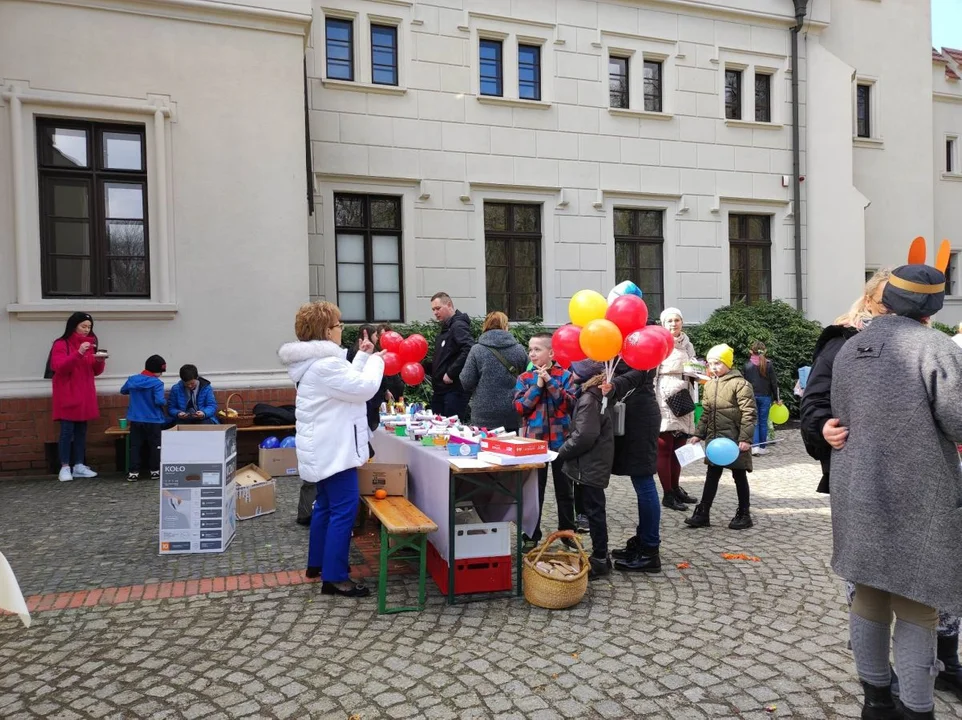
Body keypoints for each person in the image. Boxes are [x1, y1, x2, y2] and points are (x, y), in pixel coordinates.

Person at [828, 263, 962, 719]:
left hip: (857, 487)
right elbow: (959, 420)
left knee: (868, 593)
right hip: (919, 491)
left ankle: (876, 701)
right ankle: (918, 709)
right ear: (932, 305)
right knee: (918, 603)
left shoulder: (851, 348)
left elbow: (840, 417)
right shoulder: (936, 347)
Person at [278, 301, 385, 598]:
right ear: (327, 332)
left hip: (325, 448)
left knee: (324, 506)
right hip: (334, 451)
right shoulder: (326, 365)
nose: (341, 330)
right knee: (344, 510)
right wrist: (376, 360)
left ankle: (317, 563)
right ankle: (335, 577)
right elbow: (363, 388)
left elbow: (347, 382)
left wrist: (363, 357)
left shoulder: (318, 364)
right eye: (338, 326)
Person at [513, 332, 577, 547]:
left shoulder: (566, 376)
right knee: (533, 491)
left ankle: (568, 533)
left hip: (561, 442)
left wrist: (550, 382)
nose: (532, 354)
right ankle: (531, 536)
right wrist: (538, 385)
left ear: (551, 352)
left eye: (537, 349)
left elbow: (569, 405)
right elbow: (521, 407)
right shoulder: (524, 378)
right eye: (530, 349)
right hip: (534, 443)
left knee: (565, 490)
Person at [685, 344, 757, 530]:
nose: (714, 367)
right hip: (715, 442)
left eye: (717, 363)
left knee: (739, 476)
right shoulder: (709, 385)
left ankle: (744, 513)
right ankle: (703, 512)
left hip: (734, 441)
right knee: (711, 476)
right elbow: (706, 413)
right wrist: (698, 434)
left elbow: (749, 413)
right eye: (710, 364)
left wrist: (745, 439)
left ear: (727, 363)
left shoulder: (740, 384)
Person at [556, 360, 614, 580]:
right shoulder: (594, 395)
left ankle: (600, 558)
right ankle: (601, 556)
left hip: (590, 463)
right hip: (591, 462)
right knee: (593, 509)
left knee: (594, 510)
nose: (570, 375)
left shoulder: (589, 398)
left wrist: (562, 452)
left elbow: (584, 436)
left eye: (574, 372)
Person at [608, 348, 664, 573]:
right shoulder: (619, 341)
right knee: (640, 481)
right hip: (629, 416)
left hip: (642, 419)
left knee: (644, 481)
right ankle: (642, 540)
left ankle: (650, 550)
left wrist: (613, 385)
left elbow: (640, 373)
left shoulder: (645, 342)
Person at [46, 312, 106, 482]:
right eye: (83, 326)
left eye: (89, 327)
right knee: (67, 431)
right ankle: (65, 466)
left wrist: (100, 361)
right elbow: (59, 367)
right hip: (67, 393)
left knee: (81, 431)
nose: (87, 330)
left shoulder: (91, 344)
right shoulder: (61, 344)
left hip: (85, 393)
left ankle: (79, 465)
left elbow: (95, 371)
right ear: (74, 326)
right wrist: (79, 352)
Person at [653, 308, 699, 512]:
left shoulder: (687, 343)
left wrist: (696, 371)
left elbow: (694, 364)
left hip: (684, 395)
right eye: (670, 320)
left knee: (679, 447)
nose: (674, 324)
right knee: (665, 446)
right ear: (663, 323)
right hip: (664, 397)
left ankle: (675, 487)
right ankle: (667, 493)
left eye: (677, 320)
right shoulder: (659, 343)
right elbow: (653, 374)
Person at [459, 312, 528, 431]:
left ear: (485, 326)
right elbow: (527, 377)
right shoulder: (519, 349)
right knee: (509, 447)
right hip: (511, 411)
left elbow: (466, 381)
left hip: (483, 413)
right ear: (505, 326)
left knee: (484, 448)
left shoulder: (476, 350)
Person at [121, 355, 167, 482]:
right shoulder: (157, 383)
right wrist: (164, 401)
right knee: (155, 445)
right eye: (161, 371)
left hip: (136, 418)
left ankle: (133, 472)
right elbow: (158, 401)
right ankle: (155, 471)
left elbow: (123, 391)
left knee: (135, 445)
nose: (161, 374)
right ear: (157, 370)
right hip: (153, 419)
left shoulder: (132, 380)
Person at [428, 292, 473, 419]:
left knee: (449, 431)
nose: (435, 313)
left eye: (438, 308)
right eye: (433, 310)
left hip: (453, 391)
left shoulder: (458, 325)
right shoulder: (446, 328)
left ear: (449, 305)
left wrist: (451, 373)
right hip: (441, 391)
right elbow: (444, 358)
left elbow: (469, 348)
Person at [742, 341, 781, 456]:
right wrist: (777, 398)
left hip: (751, 396)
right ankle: (763, 448)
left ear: (751, 351)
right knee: (763, 422)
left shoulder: (747, 365)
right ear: (765, 351)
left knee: (755, 422)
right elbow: (774, 383)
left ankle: (755, 447)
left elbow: (744, 383)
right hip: (765, 396)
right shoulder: (769, 364)